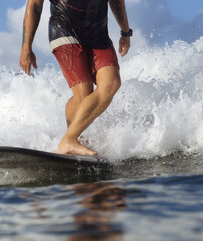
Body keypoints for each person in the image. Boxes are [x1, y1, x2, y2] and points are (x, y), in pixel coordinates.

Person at [19, 0, 132, 156]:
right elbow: (35, 5)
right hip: (64, 30)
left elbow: (116, 2)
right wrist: (26, 47)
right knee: (83, 92)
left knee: (111, 83)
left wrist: (125, 32)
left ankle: (69, 141)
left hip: (98, 35)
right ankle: (70, 141)